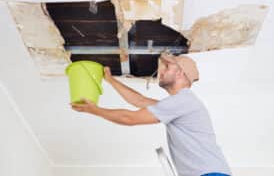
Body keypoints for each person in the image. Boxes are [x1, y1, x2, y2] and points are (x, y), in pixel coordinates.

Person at [71, 53, 232, 176]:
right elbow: (139, 101)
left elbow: (130, 118)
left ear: (180, 74)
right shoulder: (179, 104)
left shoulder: (184, 100)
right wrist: (111, 80)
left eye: (167, 68)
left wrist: (94, 110)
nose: (161, 73)